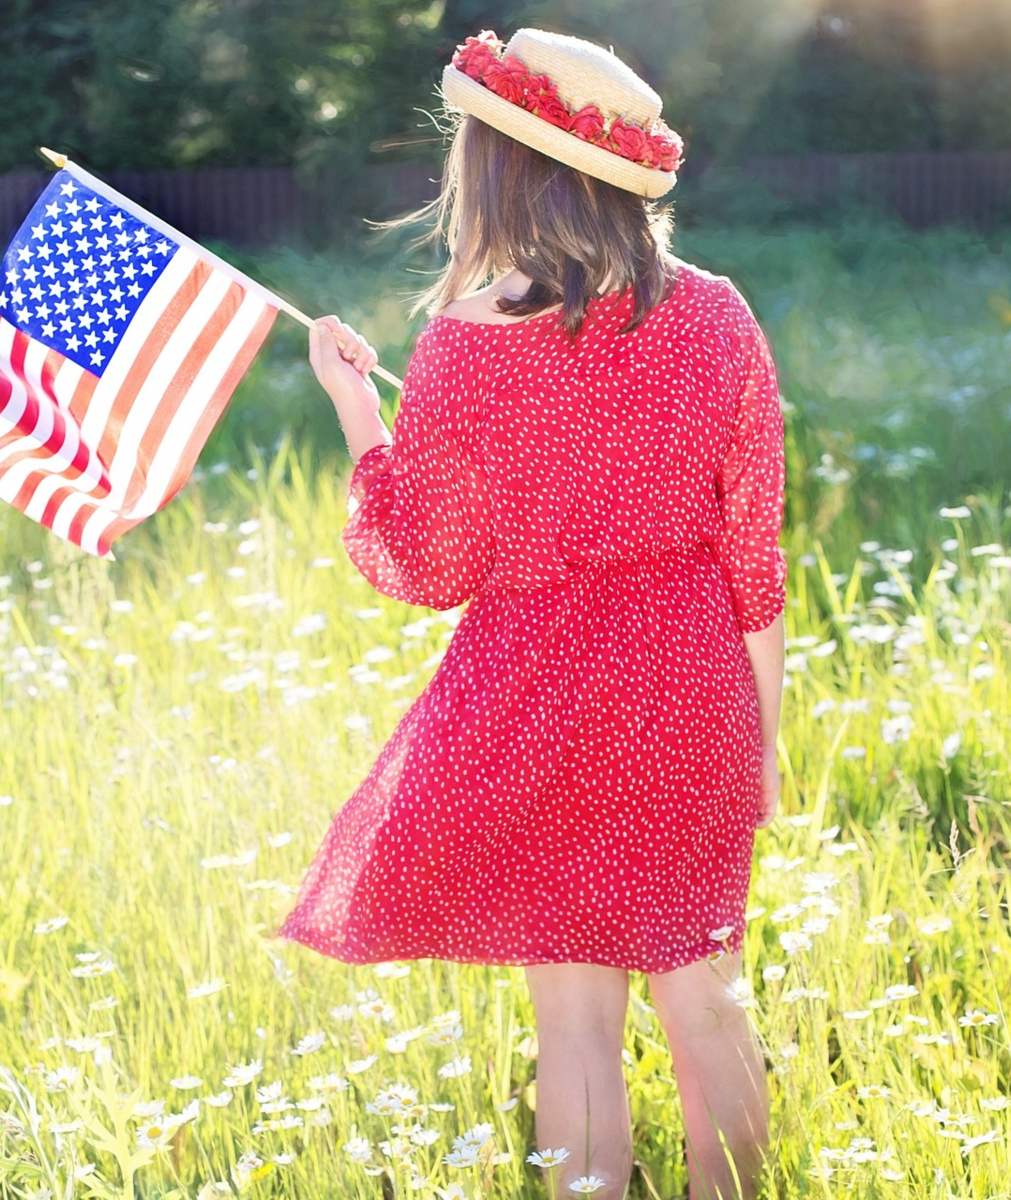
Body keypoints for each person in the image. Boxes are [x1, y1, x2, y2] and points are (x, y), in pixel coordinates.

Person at [277, 26, 787, 1200]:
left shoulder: (463, 344)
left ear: (501, 173)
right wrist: (762, 744)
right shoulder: (715, 316)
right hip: (685, 695)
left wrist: (358, 406)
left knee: (573, 1029)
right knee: (707, 997)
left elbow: (423, 560)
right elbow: (752, 561)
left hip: (536, 704)